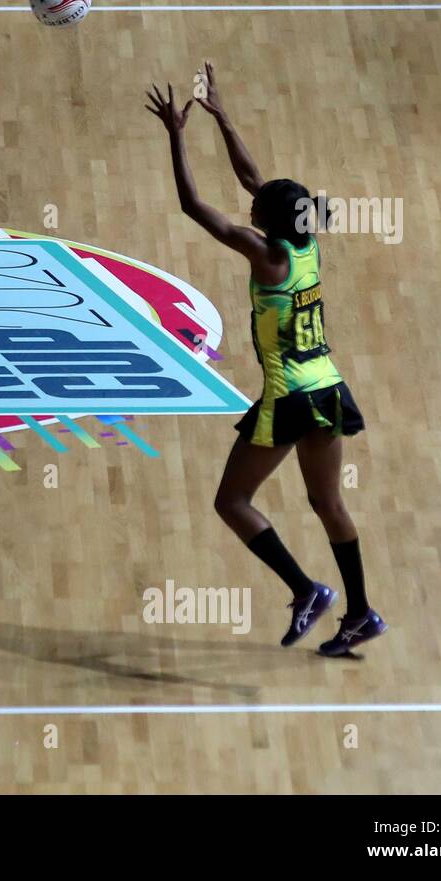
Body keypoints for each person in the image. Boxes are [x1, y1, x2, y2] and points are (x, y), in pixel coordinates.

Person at [144, 63, 386, 655]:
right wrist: (222, 117)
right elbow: (255, 179)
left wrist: (178, 135)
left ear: (265, 223)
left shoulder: (262, 254)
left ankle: (307, 590)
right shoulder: (307, 240)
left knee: (231, 501)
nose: (249, 207)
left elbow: (193, 206)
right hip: (329, 385)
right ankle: (360, 613)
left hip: (290, 397)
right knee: (329, 504)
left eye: (256, 209)